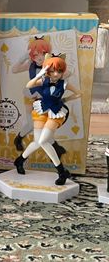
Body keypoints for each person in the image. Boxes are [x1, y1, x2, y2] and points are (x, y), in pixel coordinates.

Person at [14, 53, 81, 185]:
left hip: (55, 112)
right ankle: (20, 161)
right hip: (41, 110)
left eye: (59, 71)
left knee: (43, 141)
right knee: (37, 142)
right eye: (53, 71)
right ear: (48, 70)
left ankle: (61, 171)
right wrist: (39, 75)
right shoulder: (43, 80)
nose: (56, 74)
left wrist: (65, 100)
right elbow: (29, 85)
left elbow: (79, 93)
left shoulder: (64, 84)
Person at [11, 34, 65, 157]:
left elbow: (67, 74)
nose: (40, 57)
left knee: (46, 125)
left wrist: (56, 63)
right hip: (31, 96)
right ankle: (19, 139)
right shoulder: (30, 64)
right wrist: (23, 57)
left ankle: (55, 147)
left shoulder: (51, 65)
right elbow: (14, 69)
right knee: (32, 124)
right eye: (35, 54)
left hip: (45, 99)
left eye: (43, 53)